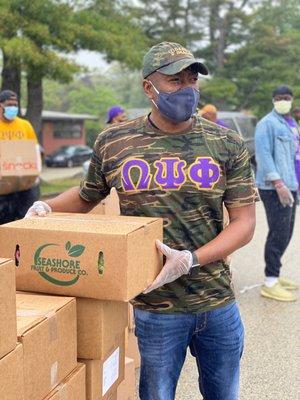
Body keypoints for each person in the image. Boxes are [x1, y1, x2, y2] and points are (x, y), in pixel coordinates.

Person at [26, 42, 257, 400]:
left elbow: (244, 222)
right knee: (156, 395)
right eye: (174, 80)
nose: (186, 89)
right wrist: (46, 208)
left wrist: (191, 259)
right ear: (148, 87)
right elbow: (88, 196)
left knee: (224, 393)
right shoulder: (116, 141)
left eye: (192, 79)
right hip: (155, 307)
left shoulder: (226, 142)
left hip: (216, 302)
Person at [255, 85, 299, 302]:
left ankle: (277, 274)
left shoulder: (290, 123)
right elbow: (263, 156)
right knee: (278, 232)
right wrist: (279, 183)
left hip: (291, 184)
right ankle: (270, 281)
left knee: (288, 232)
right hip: (274, 188)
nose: (284, 101)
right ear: (273, 100)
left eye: (287, 98)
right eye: (279, 98)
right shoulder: (267, 124)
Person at [0, 90, 40, 224]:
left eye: (15, 104)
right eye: (9, 104)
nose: (13, 108)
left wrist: (36, 173)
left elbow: (34, 150)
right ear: (1, 106)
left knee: (27, 222)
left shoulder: (25, 125)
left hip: (25, 187)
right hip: (2, 189)